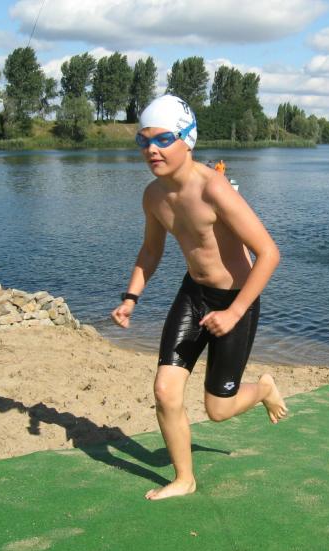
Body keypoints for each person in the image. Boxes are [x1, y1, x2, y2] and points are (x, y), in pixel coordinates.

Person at [111, 95, 287, 501]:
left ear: (187, 140)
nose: (151, 150)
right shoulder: (154, 196)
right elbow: (151, 251)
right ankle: (184, 478)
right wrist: (131, 297)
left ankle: (263, 389)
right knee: (165, 391)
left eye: (163, 139)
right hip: (193, 295)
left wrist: (235, 312)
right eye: (143, 141)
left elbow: (269, 253)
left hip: (235, 300)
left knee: (218, 410)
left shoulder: (214, 189)